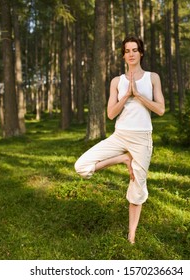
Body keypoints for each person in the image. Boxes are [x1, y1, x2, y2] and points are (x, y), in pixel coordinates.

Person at [74, 36, 165, 244]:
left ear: (141, 53)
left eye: (135, 50)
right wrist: (126, 96)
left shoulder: (153, 78)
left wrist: (139, 95)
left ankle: (131, 236)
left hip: (142, 138)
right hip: (120, 135)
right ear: (123, 55)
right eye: (127, 50)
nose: (131, 54)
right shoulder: (117, 81)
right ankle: (123, 159)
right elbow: (110, 114)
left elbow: (160, 110)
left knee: (137, 189)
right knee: (81, 166)